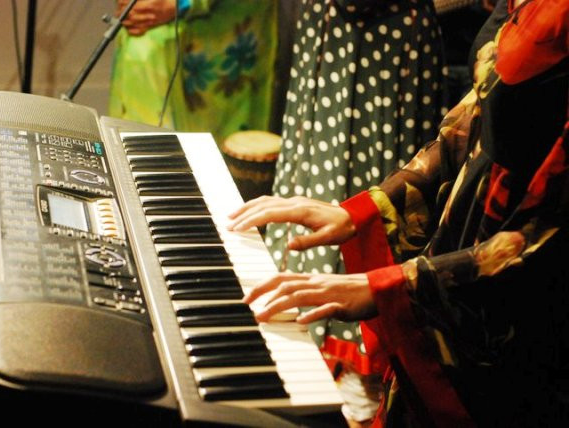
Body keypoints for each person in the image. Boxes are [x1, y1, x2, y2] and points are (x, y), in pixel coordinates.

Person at [229, 0, 569, 425]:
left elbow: (547, 243)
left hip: (515, 299)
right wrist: (362, 210)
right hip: (465, 234)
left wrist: (392, 286)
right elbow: (476, 120)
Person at [263, 1, 447, 424]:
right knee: (314, 189)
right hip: (328, 31)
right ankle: (305, 356)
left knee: (382, 183)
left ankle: (363, 382)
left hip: (391, 34)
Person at [109, 0, 277, 145]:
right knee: (134, 150)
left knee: (211, 161)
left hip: (216, 38)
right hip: (144, 53)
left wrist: (182, 3)